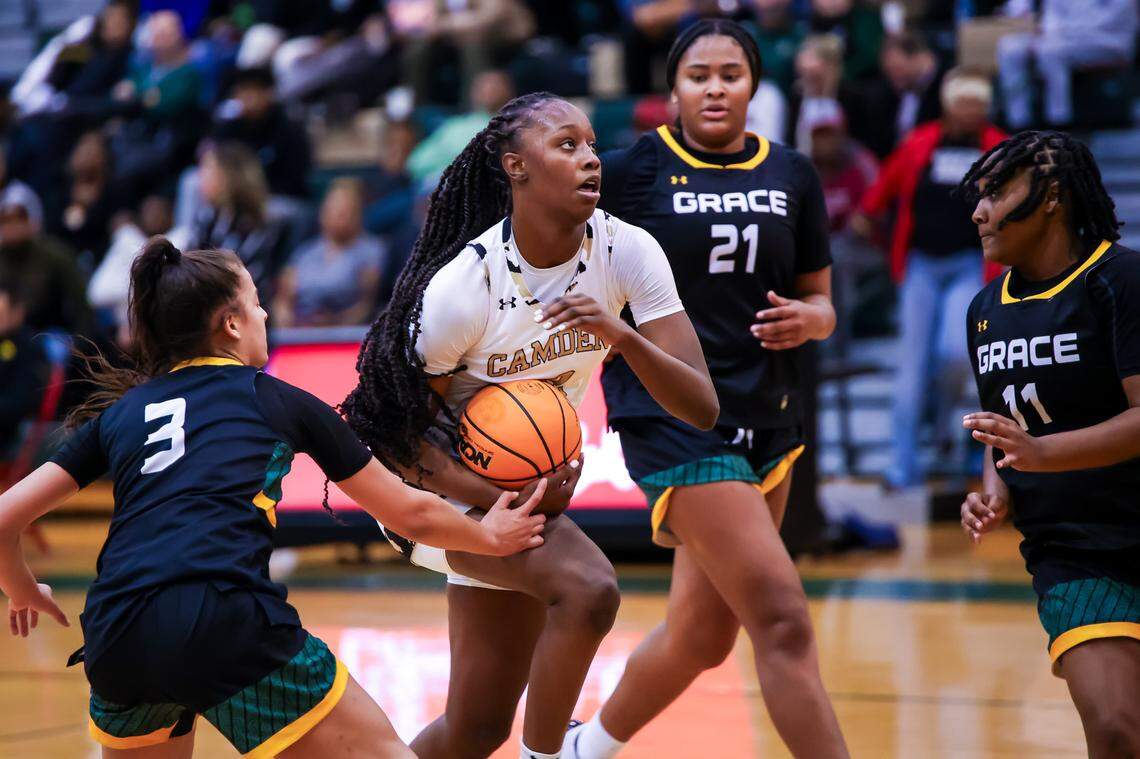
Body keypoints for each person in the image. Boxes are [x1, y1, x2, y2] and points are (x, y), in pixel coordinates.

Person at [0, 236, 548, 759]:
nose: (266, 315)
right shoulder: (274, 398)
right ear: (231, 324)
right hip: (220, 615)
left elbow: (5, 517)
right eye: (257, 303)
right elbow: (410, 511)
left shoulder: (120, 414)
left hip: (117, 630)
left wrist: (20, 587)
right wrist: (489, 537)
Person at [343, 91, 719, 759]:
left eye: (592, 144)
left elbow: (701, 405)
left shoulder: (626, 251)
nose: (590, 159)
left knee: (476, 727)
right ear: (516, 166)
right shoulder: (467, 284)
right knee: (590, 589)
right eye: (566, 145)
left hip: (512, 483)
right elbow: (398, 443)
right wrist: (505, 501)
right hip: (432, 492)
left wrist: (622, 338)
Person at [564, 20, 848, 759]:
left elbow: (823, 302)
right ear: (673, 90)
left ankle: (580, 749)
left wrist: (808, 320)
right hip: (673, 416)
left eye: (731, 73)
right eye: (699, 75)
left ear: (755, 84)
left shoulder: (792, 174)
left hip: (771, 413)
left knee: (701, 635)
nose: (715, 87)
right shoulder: (629, 173)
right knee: (782, 620)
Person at [960, 131, 1140, 757]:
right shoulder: (984, 308)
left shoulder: (1120, 279)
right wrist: (993, 491)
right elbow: (1001, 430)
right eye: (977, 196)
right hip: (1073, 549)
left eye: (997, 193)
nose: (980, 211)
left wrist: (1043, 454)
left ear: (1053, 196)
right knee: (1116, 726)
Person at [853, 68, 1006, 489]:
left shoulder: (998, 148)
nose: (972, 111)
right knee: (911, 368)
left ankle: (945, 428)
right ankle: (903, 467)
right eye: (964, 103)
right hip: (921, 264)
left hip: (969, 264)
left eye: (979, 103)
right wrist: (889, 250)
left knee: (957, 353)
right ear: (949, 105)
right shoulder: (919, 142)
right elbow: (873, 203)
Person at [997, 0, 1138, 129]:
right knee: (1010, 48)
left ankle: (1058, 121)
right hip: (1065, 38)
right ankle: (1018, 122)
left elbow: (1111, 20)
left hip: (1109, 41)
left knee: (1050, 52)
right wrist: (1046, 35)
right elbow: (1053, 17)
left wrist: (1055, 36)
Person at [274, 179, 388, 327]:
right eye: (332, 209)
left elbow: (367, 305)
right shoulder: (305, 252)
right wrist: (286, 322)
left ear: (358, 214)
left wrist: (333, 325)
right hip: (300, 333)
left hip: (347, 336)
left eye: (344, 211)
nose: (338, 216)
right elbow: (283, 299)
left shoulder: (372, 251)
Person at [0, 196, 90, 335]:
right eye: (6, 223)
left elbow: (80, 305)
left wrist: (79, 345)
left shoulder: (55, 255)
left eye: (17, 222)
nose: (12, 229)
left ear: (30, 224)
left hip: (50, 331)